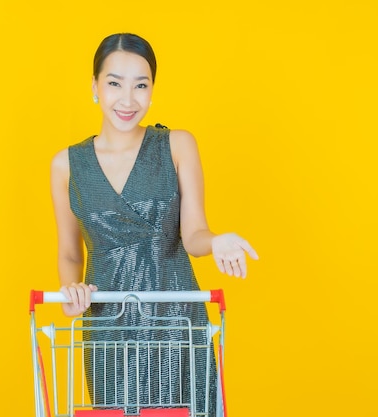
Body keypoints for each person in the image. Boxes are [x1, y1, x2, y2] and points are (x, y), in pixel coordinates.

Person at [50, 32, 258, 416]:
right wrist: (71, 292)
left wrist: (217, 242)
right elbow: (68, 251)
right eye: (114, 84)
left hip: (177, 318)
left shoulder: (177, 145)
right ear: (95, 86)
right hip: (110, 326)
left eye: (140, 86)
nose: (128, 99)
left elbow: (193, 234)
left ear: (152, 90)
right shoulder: (66, 165)